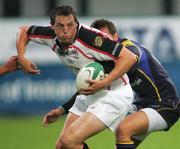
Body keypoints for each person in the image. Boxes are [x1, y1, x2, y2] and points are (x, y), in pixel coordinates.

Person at [43, 19, 180, 149]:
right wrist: (62, 110)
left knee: (123, 129)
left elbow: (132, 58)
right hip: (140, 105)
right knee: (63, 145)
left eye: (106, 37)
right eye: (99, 40)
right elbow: (89, 88)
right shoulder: (103, 58)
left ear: (116, 36)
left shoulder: (128, 48)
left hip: (165, 105)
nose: (104, 42)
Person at [16, 5, 138, 149]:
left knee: (70, 141)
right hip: (89, 94)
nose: (66, 30)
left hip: (114, 93)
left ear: (76, 23)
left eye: (70, 25)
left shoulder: (91, 38)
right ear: (52, 26)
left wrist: (104, 82)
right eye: (60, 26)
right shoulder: (50, 36)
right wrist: (22, 57)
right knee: (61, 146)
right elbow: (23, 30)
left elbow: (130, 58)